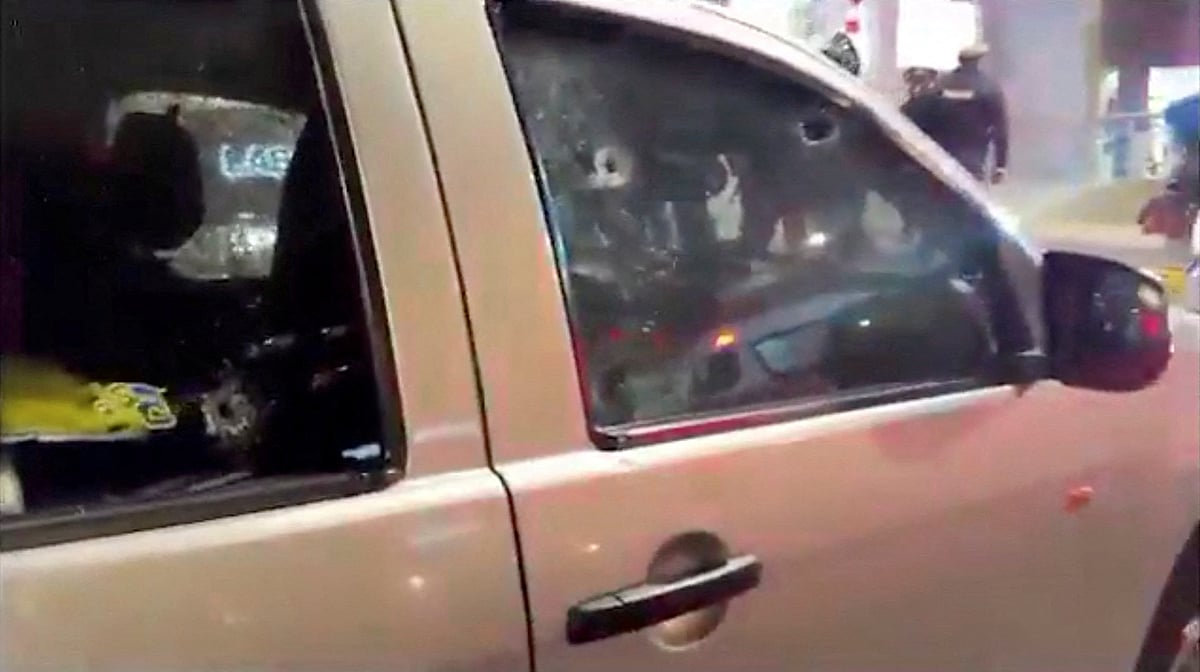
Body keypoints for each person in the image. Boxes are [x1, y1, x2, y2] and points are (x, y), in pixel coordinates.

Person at [901, 44, 1009, 184]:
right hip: (973, 158)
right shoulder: (988, 87)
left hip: (940, 156)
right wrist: (1000, 165)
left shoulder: (940, 85)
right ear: (978, 61)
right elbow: (1000, 128)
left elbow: (917, 116)